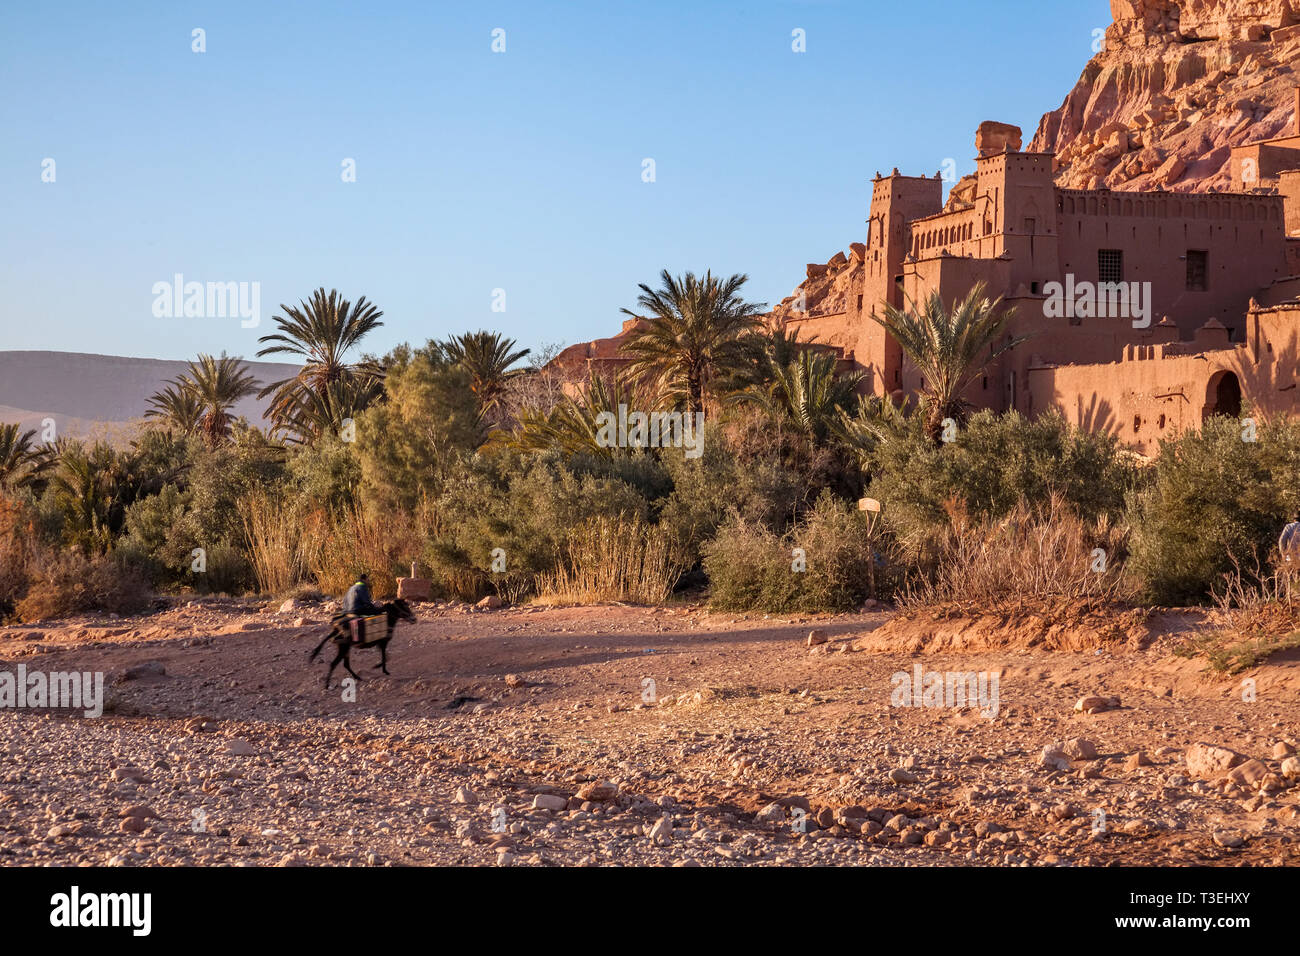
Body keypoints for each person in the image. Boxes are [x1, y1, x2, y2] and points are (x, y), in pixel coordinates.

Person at [342, 574, 383, 643]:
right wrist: (374, 607)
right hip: (357, 610)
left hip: (347, 610)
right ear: (364, 579)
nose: (368, 581)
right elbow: (367, 602)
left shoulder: (352, 587)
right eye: (367, 579)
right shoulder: (362, 587)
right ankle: (375, 634)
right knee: (378, 611)